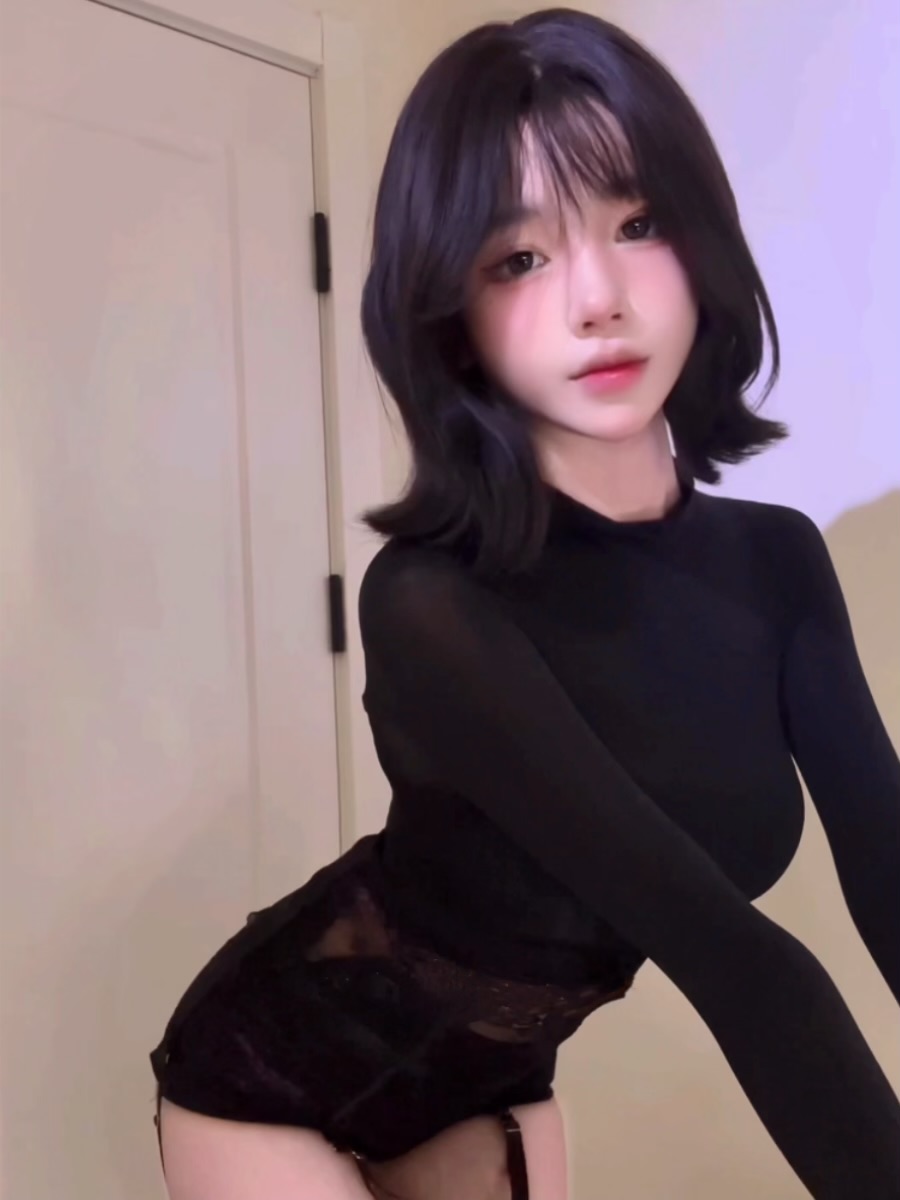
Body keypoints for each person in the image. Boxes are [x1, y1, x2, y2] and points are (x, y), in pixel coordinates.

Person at [150, 9, 900, 1199]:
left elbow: (889, 873)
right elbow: (736, 959)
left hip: (492, 1083)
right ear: (450, 313)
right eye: (519, 259)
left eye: (638, 224)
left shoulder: (778, 562)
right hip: (272, 1079)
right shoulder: (433, 603)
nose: (598, 297)